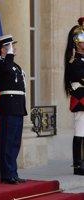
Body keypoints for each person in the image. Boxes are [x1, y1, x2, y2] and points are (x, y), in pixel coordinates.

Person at [0, 34, 27, 184]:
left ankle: (13, 172)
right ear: (4, 49)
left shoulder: (15, 65)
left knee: (15, 142)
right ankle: (6, 174)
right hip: (7, 107)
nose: (15, 48)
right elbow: (6, 70)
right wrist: (9, 56)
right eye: (11, 46)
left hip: (18, 106)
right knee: (6, 141)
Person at [64, 18, 84, 176]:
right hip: (81, 100)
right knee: (80, 132)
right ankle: (79, 165)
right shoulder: (74, 61)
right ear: (78, 43)